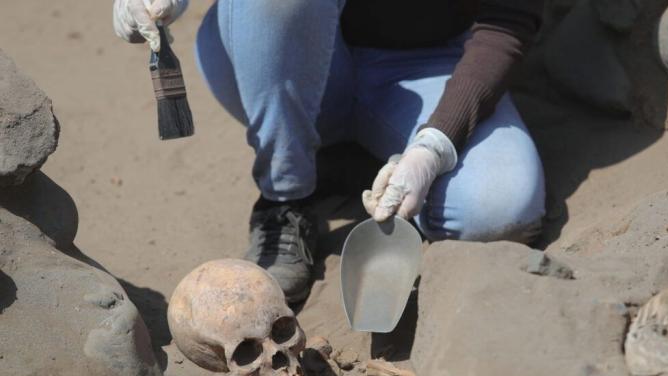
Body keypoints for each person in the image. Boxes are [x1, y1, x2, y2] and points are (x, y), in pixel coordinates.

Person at [113, 0, 546, 303]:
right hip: (278, 47)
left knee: (498, 208)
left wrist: (434, 146)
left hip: (430, 63)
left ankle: (355, 162)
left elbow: (507, 21)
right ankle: (285, 197)